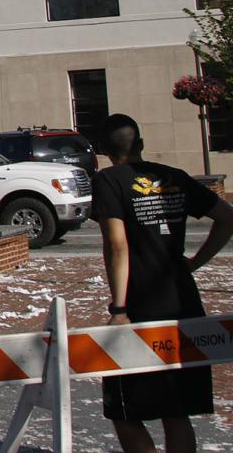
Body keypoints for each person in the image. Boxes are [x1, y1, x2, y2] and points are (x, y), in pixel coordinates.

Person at [92, 113, 233, 453]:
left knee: (123, 410)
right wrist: (194, 263)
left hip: (142, 306)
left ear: (103, 151)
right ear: (140, 144)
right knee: (176, 411)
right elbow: (227, 218)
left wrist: (120, 307)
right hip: (184, 303)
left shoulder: (109, 181)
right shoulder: (174, 177)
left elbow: (118, 244)